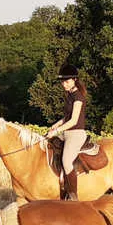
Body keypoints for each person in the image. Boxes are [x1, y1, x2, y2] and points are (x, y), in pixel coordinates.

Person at [44, 65, 88, 200]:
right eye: (62, 82)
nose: (64, 84)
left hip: (76, 134)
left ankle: (72, 195)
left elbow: (74, 121)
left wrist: (56, 131)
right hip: (66, 133)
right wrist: (54, 126)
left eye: (67, 81)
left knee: (66, 160)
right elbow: (66, 118)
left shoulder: (78, 97)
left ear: (75, 80)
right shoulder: (69, 96)